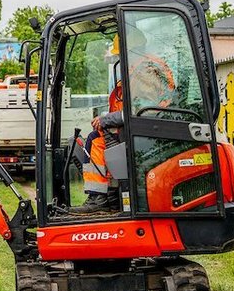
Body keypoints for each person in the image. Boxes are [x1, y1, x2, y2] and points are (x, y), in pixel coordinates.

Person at [71, 27, 175, 214]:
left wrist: (108, 119)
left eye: (121, 54)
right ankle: (109, 197)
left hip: (149, 132)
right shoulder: (139, 69)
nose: (119, 59)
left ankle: (100, 197)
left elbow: (143, 110)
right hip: (142, 130)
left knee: (96, 140)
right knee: (95, 137)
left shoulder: (145, 71)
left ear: (131, 51)